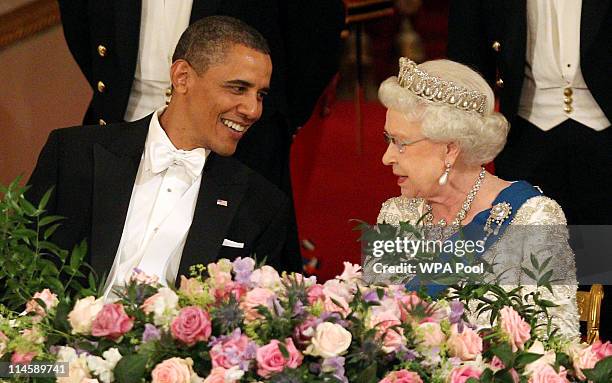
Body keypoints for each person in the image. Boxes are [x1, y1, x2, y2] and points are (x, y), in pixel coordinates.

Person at [26, 16, 301, 296]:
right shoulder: (73, 155)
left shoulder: (261, 206)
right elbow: (18, 263)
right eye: (238, 88)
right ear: (182, 78)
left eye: (261, 95)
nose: (253, 110)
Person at [57, 0, 346, 261]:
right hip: (122, 127)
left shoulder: (263, 197)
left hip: (243, 151)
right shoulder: (66, 154)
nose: (253, 108)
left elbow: (316, 37)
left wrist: (254, 111)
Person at [373, 58, 579, 338]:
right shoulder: (397, 215)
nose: (387, 158)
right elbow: (375, 326)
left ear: (450, 150)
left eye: (401, 143)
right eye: (388, 139)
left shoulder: (532, 218)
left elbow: (557, 341)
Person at [447, 0, 611, 340]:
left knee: (600, 262)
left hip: (602, 135)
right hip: (527, 135)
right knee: (534, 270)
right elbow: (465, 55)